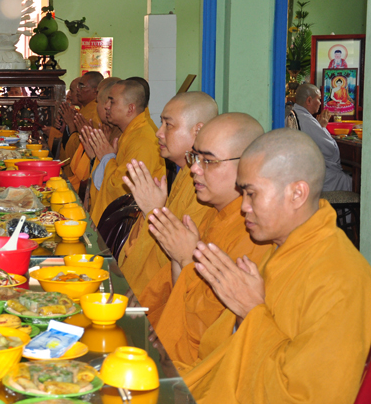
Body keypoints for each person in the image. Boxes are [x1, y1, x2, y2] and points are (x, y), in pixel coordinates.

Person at [182, 128, 371, 403]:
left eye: (251, 194)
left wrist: (251, 313)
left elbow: (307, 396)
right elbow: (218, 348)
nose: (243, 207)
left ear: (297, 194)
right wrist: (243, 315)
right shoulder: (281, 247)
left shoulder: (342, 279)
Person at [139, 113, 273, 368]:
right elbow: (181, 294)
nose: (195, 169)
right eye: (195, 158)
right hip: (170, 341)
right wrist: (181, 259)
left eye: (209, 161)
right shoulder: (214, 212)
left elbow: (211, 333)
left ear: (248, 166)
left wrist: (186, 259)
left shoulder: (255, 234)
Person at [118, 91, 218, 296]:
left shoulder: (205, 186)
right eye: (161, 123)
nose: (159, 133)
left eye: (168, 125)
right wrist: (152, 211)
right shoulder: (184, 174)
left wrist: (154, 211)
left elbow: (180, 256)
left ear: (198, 130)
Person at [83, 79, 165, 224]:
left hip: (134, 225)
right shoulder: (130, 133)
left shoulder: (142, 140)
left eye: (112, 101)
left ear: (130, 108)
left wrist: (107, 158)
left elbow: (122, 190)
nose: (106, 106)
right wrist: (103, 158)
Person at [291, 84, 352, 191]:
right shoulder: (306, 120)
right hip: (308, 173)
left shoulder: (294, 113)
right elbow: (330, 150)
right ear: (309, 100)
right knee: (348, 180)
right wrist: (322, 127)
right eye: (319, 99)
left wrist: (319, 127)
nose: (320, 103)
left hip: (300, 168)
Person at [67, 77, 121, 192]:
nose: (106, 107)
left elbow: (116, 184)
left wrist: (74, 129)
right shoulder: (109, 129)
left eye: (97, 101)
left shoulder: (125, 135)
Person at [58, 73, 103, 181]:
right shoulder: (85, 111)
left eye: (81, 86)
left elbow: (78, 150)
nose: (78, 90)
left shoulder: (93, 114)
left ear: (95, 91)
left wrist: (70, 125)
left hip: (81, 176)